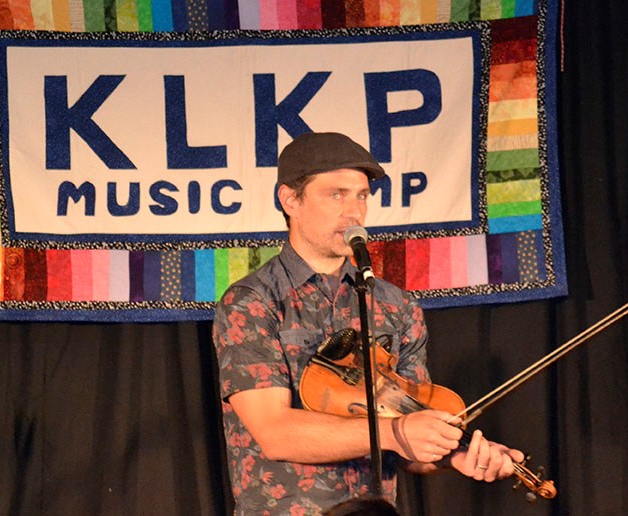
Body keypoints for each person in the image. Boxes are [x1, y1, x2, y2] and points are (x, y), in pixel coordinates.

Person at [212, 132, 523, 515]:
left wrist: (451, 454)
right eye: (336, 195)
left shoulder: (397, 306)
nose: (354, 212)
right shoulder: (252, 301)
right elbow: (274, 432)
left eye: (361, 195)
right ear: (290, 199)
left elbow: (408, 437)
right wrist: (397, 432)